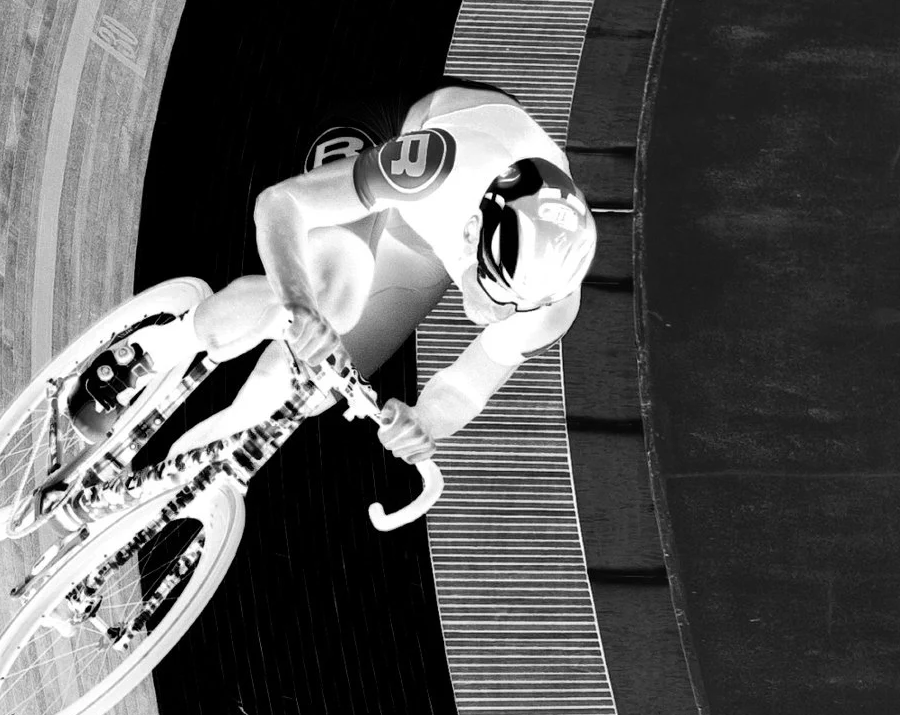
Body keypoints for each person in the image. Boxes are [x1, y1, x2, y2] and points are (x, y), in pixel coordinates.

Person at [172, 74, 597, 474]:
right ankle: (170, 338)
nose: (498, 315)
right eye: (496, 293)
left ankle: (180, 475)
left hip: (430, 235)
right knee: (334, 297)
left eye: (517, 308)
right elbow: (281, 205)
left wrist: (423, 422)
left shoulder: (554, 297)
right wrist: (299, 302)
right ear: (470, 235)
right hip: (389, 131)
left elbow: (467, 388)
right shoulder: (438, 166)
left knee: (315, 383)